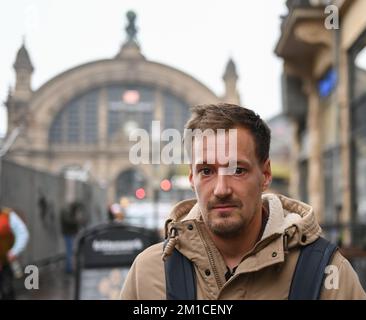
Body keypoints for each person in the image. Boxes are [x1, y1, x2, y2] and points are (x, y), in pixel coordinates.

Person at [120, 103, 366, 299]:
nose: (221, 189)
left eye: (237, 170)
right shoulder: (150, 272)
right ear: (192, 178)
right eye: (207, 171)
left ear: (265, 174)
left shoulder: (327, 273)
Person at [0, 206, 29, 300]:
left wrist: (14, 251)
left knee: (7, 291)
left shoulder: (7, 216)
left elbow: (23, 233)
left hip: (5, 263)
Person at [60, 202, 85, 274]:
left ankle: (70, 267)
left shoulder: (69, 213)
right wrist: (76, 220)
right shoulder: (66, 212)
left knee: (71, 252)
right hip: (68, 234)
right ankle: (69, 269)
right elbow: (69, 222)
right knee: (69, 252)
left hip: (71, 234)